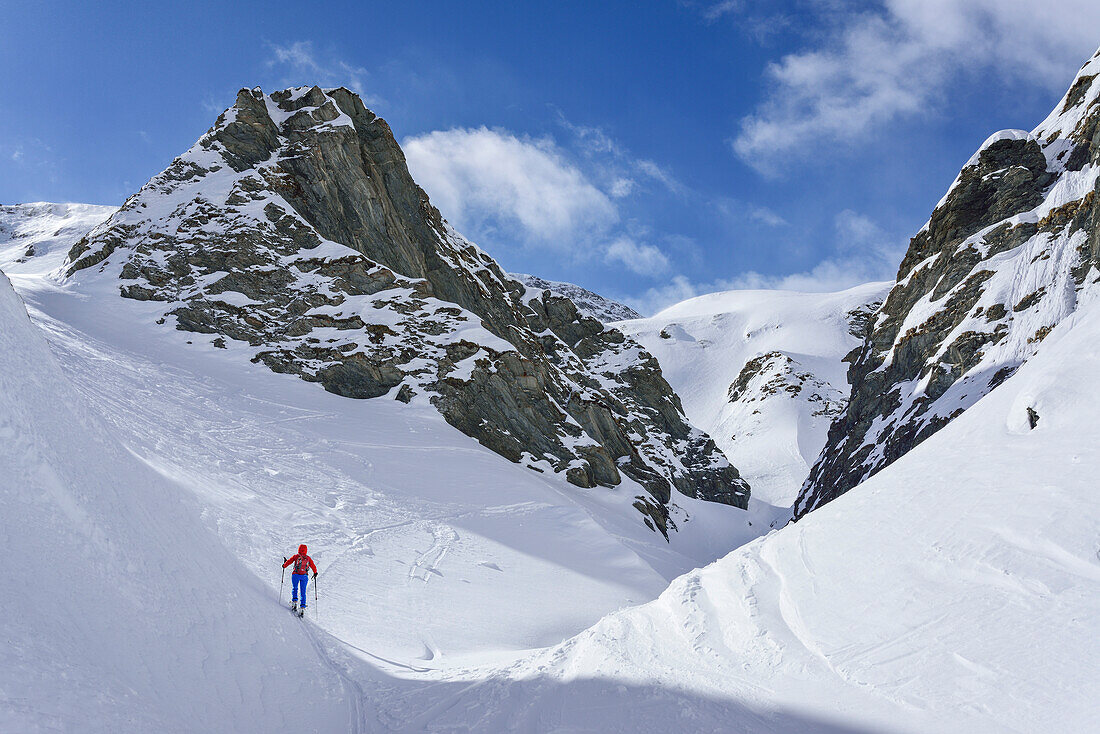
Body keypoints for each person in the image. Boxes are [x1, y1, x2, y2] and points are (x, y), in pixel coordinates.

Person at [282, 544, 318, 612]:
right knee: (303, 591)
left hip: (295, 575)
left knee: (295, 588)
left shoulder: (296, 556)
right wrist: (315, 572)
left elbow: (289, 561)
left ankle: (294, 602)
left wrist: (284, 565)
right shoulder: (308, 558)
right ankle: (302, 607)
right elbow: (313, 566)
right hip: (304, 576)